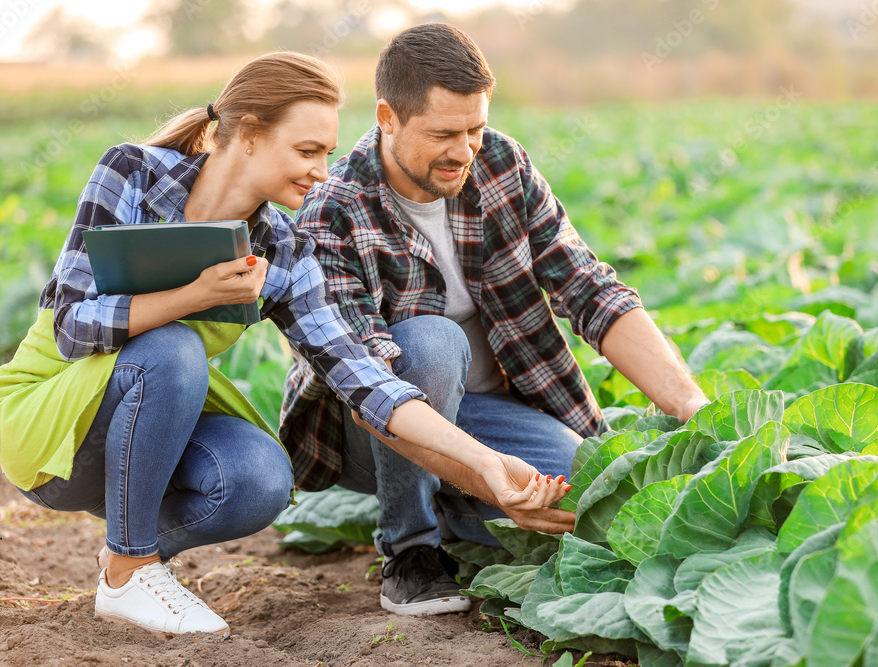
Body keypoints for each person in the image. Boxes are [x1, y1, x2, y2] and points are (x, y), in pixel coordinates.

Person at [0, 51, 570, 636]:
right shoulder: (134, 172)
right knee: (174, 347)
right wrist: (192, 295)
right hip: (46, 417)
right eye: (307, 151)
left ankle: (123, 558)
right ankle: (132, 573)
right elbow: (71, 324)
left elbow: (364, 377)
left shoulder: (284, 249)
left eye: (329, 154)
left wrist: (488, 466)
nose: (322, 171)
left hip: (151, 422)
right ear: (252, 136)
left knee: (261, 479)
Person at [286, 23, 712, 617]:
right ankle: (411, 550)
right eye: (443, 133)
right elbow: (365, 380)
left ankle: (458, 504)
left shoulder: (502, 164)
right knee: (431, 341)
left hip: (494, 411)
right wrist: (487, 475)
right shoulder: (332, 208)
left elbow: (588, 287)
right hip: (370, 422)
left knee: (582, 510)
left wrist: (691, 408)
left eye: (475, 129)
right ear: (388, 117)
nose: (465, 150)